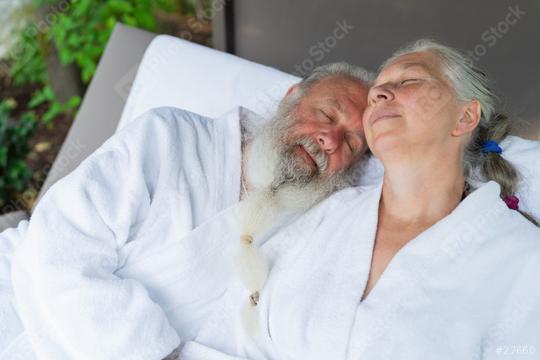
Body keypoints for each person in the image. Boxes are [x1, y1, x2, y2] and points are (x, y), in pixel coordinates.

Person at [1, 63, 373, 359]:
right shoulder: (168, 136)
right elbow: (63, 243)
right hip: (20, 302)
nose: (329, 139)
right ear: (291, 98)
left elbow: (249, 337)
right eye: (326, 114)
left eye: (352, 144)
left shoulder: (308, 235)